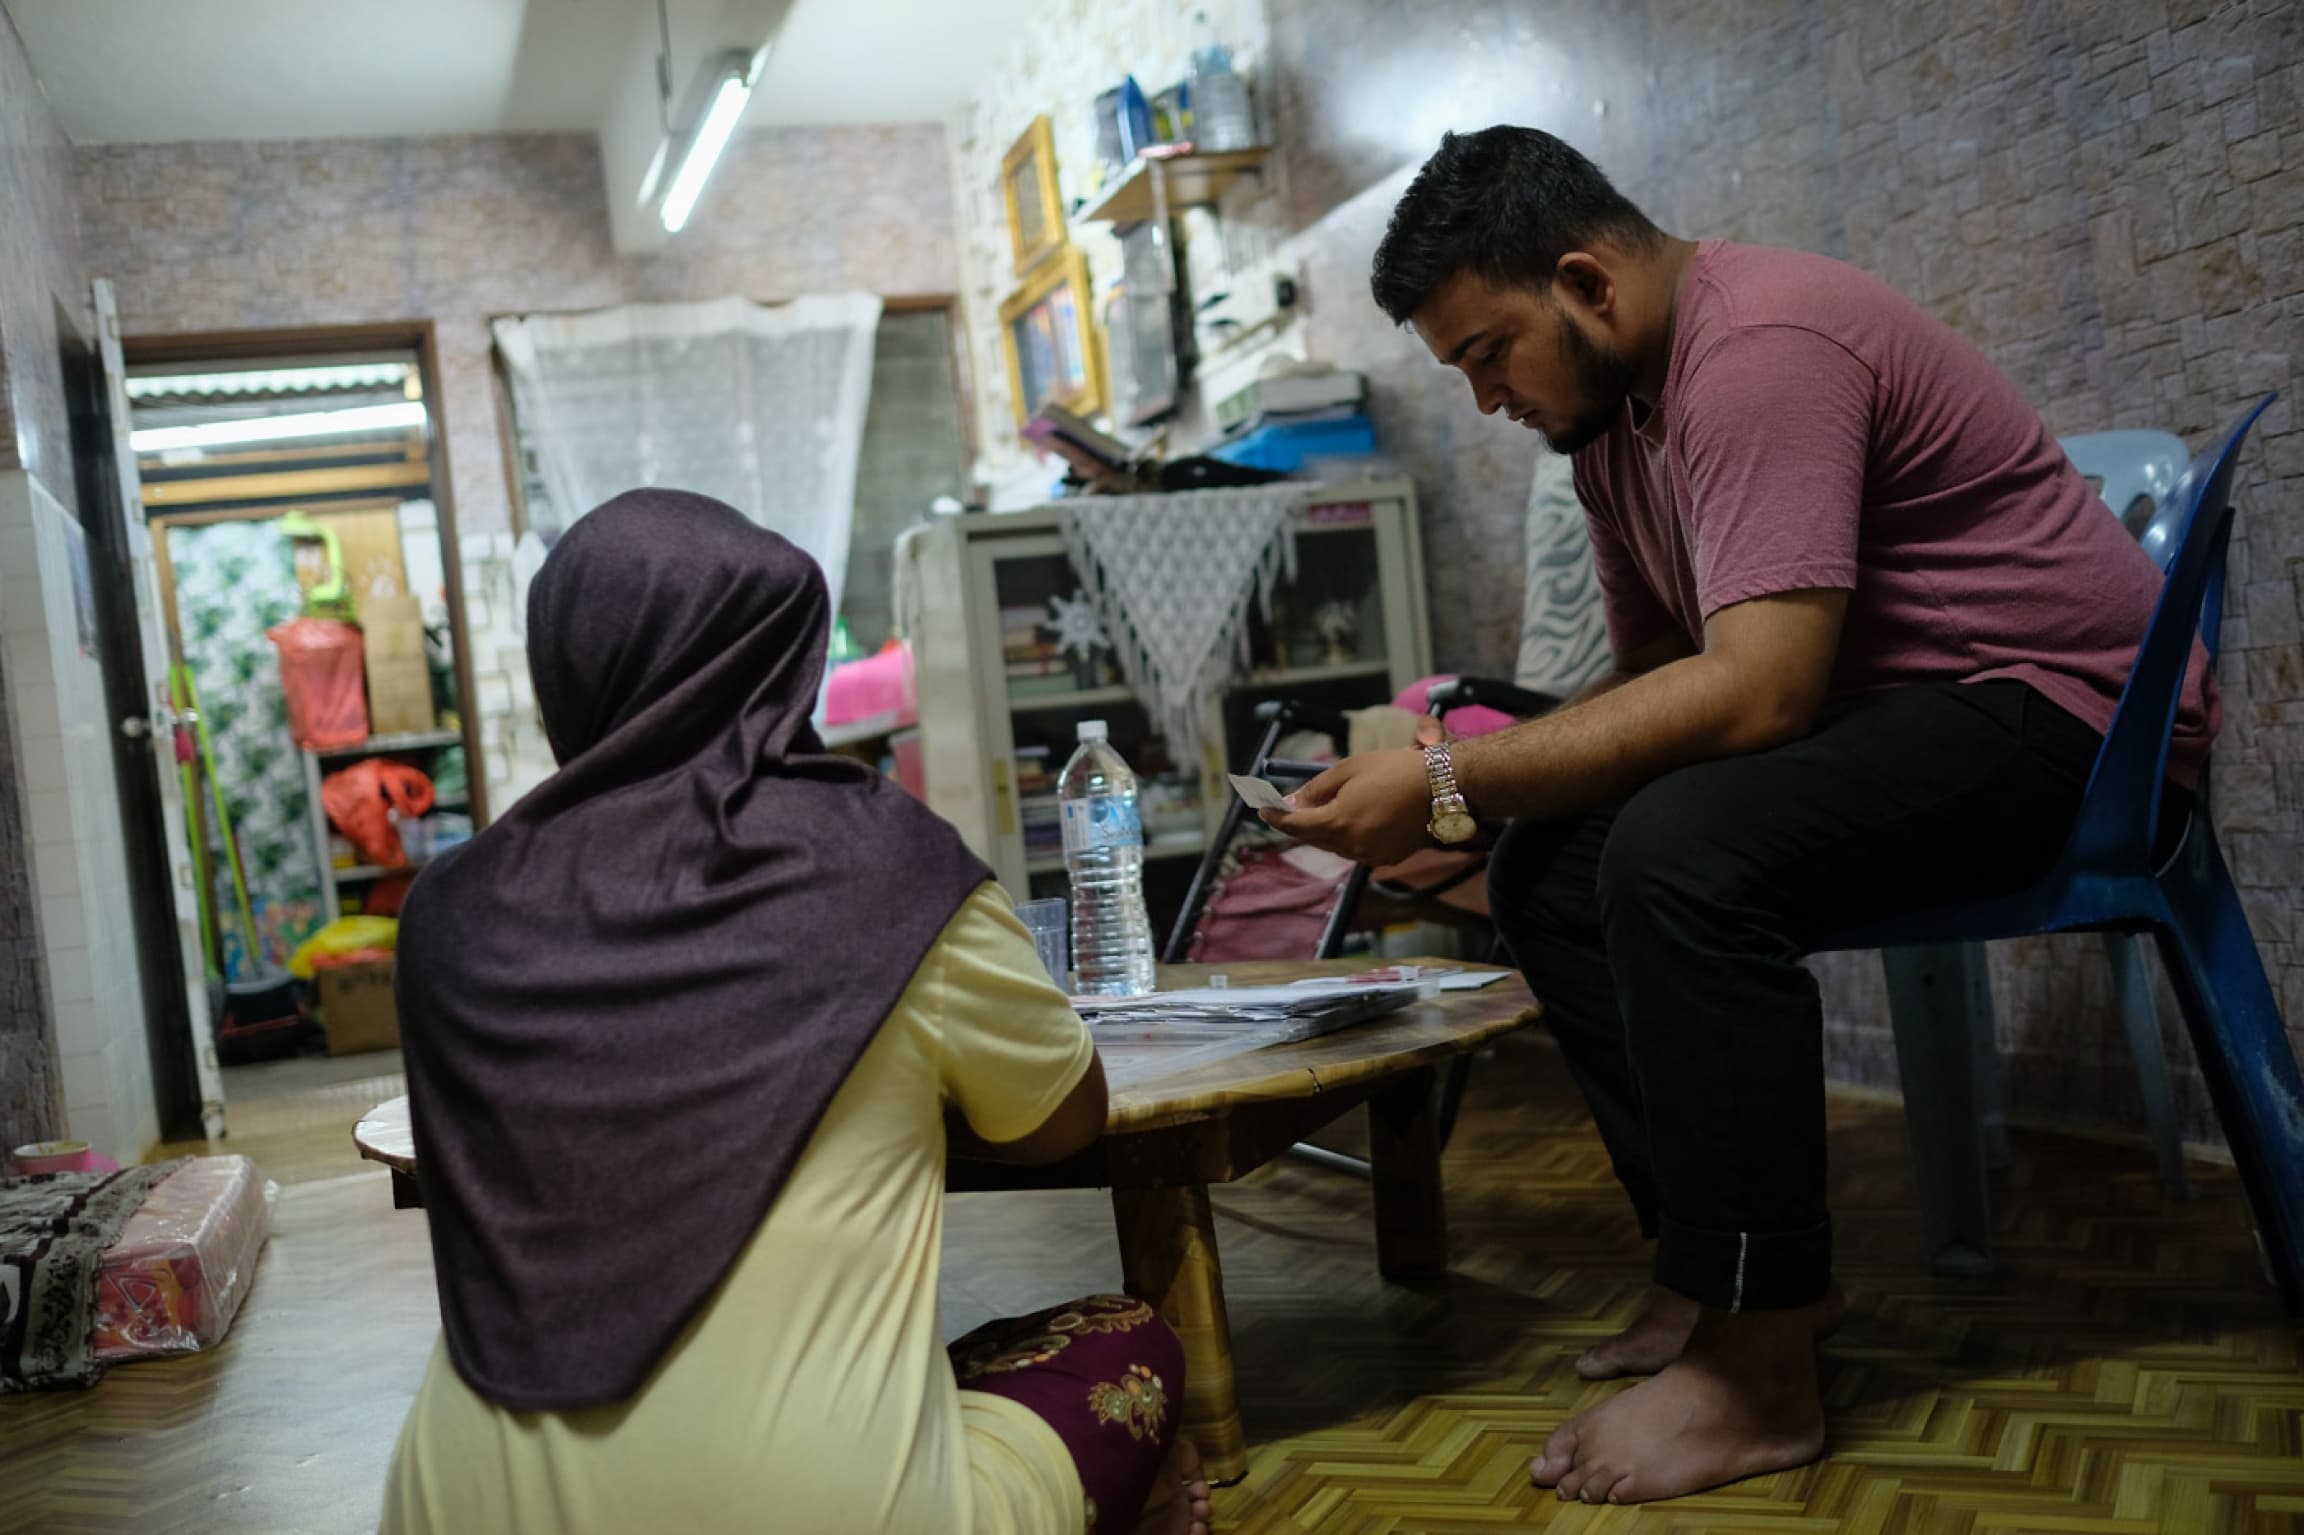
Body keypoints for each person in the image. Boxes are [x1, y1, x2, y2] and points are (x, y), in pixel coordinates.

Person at [1263, 126, 2215, 1507]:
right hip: (1913, 711)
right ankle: (1714, 1277)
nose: (1485, 400)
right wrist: (1470, 771)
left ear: (1585, 281)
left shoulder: (1760, 344)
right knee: (1555, 864)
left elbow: (1759, 693)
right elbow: (1663, 678)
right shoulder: (1610, 429)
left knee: (1677, 851)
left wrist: (1456, 781)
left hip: (2074, 715)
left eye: (1487, 354)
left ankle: (1761, 1369)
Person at [381, 489, 1212, 1535]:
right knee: (1120, 1335)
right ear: (784, 657)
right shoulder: (891, 869)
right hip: (827, 1507)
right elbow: (1060, 1119)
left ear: (566, 673)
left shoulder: (451, 914)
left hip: (460, 1509)